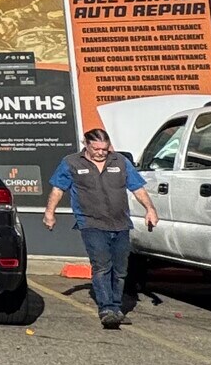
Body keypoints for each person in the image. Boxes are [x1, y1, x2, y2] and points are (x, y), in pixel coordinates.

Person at [43, 128, 159, 329]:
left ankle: (116, 308)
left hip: (120, 222)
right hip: (91, 222)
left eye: (104, 149)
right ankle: (107, 309)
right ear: (86, 144)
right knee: (102, 266)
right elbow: (58, 189)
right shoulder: (71, 163)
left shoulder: (121, 162)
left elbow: (137, 188)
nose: (101, 153)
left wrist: (150, 209)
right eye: (96, 148)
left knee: (120, 269)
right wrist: (49, 213)